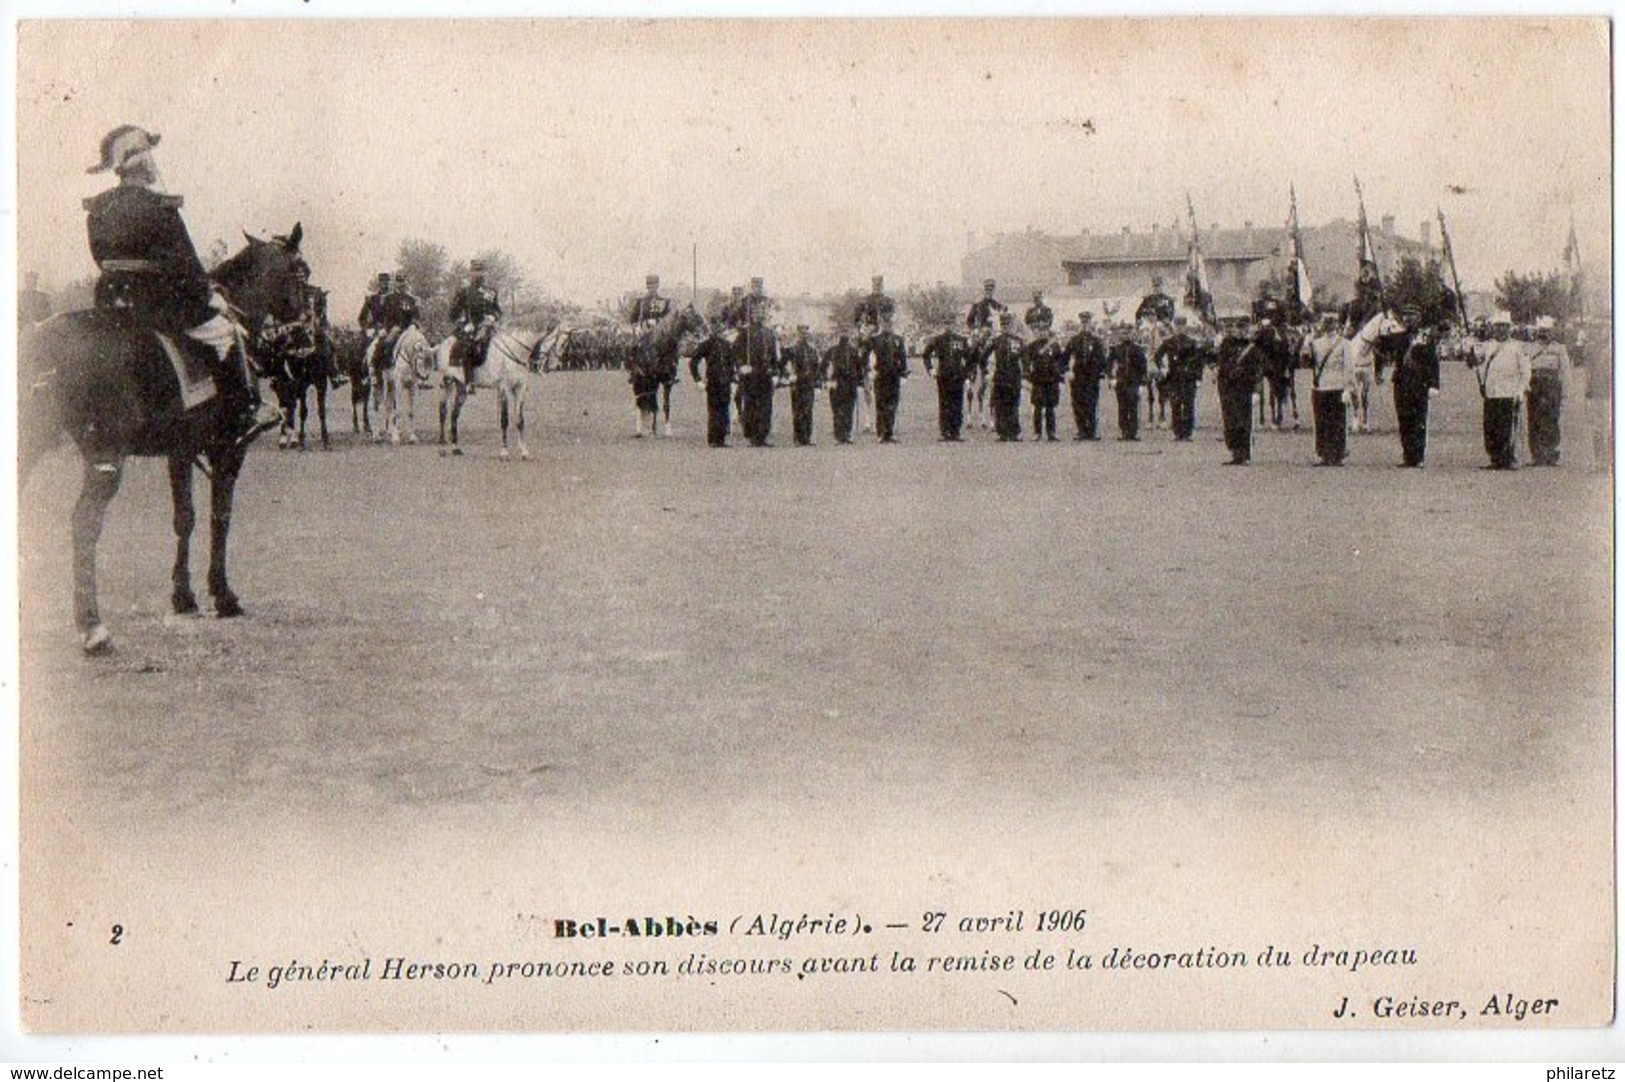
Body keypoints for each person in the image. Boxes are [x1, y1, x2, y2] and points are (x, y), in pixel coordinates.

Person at [82, 124, 258, 437]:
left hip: (109, 301)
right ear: (141, 161)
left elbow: (99, 257)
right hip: (157, 304)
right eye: (149, 155)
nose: (153, 163)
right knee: (226, 332)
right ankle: (239, 417)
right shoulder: (161, 206)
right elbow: (185, 265)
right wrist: (208, 295)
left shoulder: (98, 207)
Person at [1469, 318, 1530, 469]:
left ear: (1509, 328)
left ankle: (1508, 459)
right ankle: (1495, 458)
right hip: (1491, 392)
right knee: (1491, 427)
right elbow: (1474, 362)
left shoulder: (1518, 347)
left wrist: (1520, 391)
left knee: (1508, 428)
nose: (1501, 330)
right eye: (1498, 326)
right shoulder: (1487, 346)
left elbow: (1525, 372)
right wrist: (1469, 349)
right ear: (1493, 328)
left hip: (1510, 392)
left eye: (1504, 326)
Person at [1389, 310, 1441, 467]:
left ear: (1418, 318)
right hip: (1401, 383)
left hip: (1420, 384)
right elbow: (1385, 350)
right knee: (1404, 420)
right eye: (1406, 316)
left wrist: (1434, 384)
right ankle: (1407, 456)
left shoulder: (1426, 338)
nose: (1409, 319)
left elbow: (1433, 362)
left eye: (1412, 316)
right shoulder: (1398, 336)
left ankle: (1418, 457)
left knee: (1419, 421)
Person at [734, 286, 780, 447]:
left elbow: (774, 356)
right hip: (751, 372)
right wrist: (741, 366)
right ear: (751, 315)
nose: (759, 315)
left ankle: (763, 436)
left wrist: (775, 372)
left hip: (766, 373)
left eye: (762, 313)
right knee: (752, 405)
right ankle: (753, 435)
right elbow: (736, 353)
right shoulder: (744, 333)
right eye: (756, 313)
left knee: (766, 406)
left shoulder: (769, 333)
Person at [1304, 314, 1351, 466]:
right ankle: (1324, 454)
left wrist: (1347, 388)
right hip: (1321, 387)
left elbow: (1348, 367)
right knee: (1322, 422)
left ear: (1336, 325)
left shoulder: (1344, 343)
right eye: (1326, 323)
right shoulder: (1316, 343)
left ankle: (1337, 454)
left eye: (1332, 323)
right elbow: (1308, 363)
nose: (1329, 326)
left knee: (1337, 422)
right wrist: (1306, 346)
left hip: (1337, 386)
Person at [1525, 316, 1572, 466]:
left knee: (1552, 418)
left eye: (1547, 331)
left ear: (1552, 332)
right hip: (1535, 385)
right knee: (1534, 419)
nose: (1544, 334)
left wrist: (1565, 390)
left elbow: (1565, 370)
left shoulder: (1559, 348)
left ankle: (1551, 454)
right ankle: (1537, 455)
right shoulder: (1530, 347)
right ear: (1537, 332)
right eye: (1541, 331)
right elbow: (1525, 369)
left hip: (1552, 385)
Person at [448, 259, 502, 390]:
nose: (479, 274)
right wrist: (463, 323)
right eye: (476, 271)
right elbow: (453, 313)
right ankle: (469, 380)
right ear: (471, 272)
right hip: (471, 326)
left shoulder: (492, 291)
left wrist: (493, 317)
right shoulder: (465, 292)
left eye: (482, 271)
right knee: (468, 345)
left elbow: (498, 311)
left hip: (489, 325)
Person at [1215, 320, 1261, 464]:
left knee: (1244, 421)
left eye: (1244, 329)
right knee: (1230, 420)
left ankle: (1245, 454)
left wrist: (1254, 387)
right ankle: (1235, 453)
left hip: (1244, 387)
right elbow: (1221, 364)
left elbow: (1256, 368)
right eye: (1239, 328)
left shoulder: (1252, 347)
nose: (1241, 331)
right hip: (1228, 387)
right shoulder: (1227, 344)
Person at [1156, 317, 1204, 442]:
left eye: (1182, 326)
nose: (1179, 329)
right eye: (1177, 326)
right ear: (1174, 327)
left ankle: (1187, 433)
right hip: (1174, 377)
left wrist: (1198, 377)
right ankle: (1177, 432)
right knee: (1175, 405)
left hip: (1188, 378)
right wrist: (1162, 368)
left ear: (1185, 327)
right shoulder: (1168, 342)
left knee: (1188, 405)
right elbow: (1158, 356)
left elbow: (1199, 361)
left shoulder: (1192, 343)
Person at [921, 325, 972, 441]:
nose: (949, 326)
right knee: (944, 403)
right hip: (943, 375)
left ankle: (955, 431)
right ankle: (945, 431)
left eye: (951, 322)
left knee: (957, 403)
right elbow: (926, 354)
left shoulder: (962, 340)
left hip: (958, 375)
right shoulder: (938, 340)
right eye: (947, 323)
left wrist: (967, 374)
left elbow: (970, 358)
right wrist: (930, 369)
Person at [688, 328, 736, 447]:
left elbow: (731, 362)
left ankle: (721, 439)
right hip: (713, 381)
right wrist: (697, 379)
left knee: (724, 410)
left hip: (726, 381)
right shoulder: (707, 345)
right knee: (714, 411)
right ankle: (713, 439)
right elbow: (693, 361)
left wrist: (733, 375)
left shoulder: (727, 345)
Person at [1063, 312, 1108, 440]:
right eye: (1083, 323)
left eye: (1087, 323)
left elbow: (1102, 359)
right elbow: (1064, 358)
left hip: (1092, 376)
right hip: (1078, 376)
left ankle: (1092, 431)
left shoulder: (1096, 341)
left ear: (1091, 324)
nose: (1085, 326)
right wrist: (1067, 370)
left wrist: (1101, 371)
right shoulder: (1074, 340)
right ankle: (1081, 430)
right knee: (1078, 404)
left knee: (1091, 403)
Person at [983, 312, 1025, 442]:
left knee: (1013, 404)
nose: (1006, 327)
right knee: (1000, 405)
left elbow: (1025, 359)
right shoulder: (995, 341)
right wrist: (986, 371)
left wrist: (1026, 374)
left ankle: (1013, 432)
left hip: (1014, 376)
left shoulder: (1019, 341)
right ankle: (1002, 432)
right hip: (1000, 376)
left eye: (1008, 325)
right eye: (1003, 325)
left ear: (1012, 325)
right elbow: (982, 357)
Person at [868, 315, 909, 443]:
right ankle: (881, 433)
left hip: (894, 376)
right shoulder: (874, 340)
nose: (888, 326)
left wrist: (903, 375)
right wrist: (869, 371)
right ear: (881, 324)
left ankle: (889, 433)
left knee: (892, 404)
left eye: (890, 324)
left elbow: (903, 358)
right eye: (885, 324)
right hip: (880, 375)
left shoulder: (898, 339)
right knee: (881, 404)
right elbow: (867, 356)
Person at [1107, 323, 1149, 441]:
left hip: (1133, 382)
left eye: (1128, 333)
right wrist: (1111, 378)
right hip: (1121, 381)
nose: (1126, 336)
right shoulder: (1116, 349)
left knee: (1133, 407)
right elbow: (1109, 364)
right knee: (1122, 407)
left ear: (1132, 334)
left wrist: (1142, 383)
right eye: (1123, 333)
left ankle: (1133, 432)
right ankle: (1124, 431)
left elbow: (1143, 367)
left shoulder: (1137, 349)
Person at [1022, 326, 1065, 441]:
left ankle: (1051, 432)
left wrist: (1060, 375)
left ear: (1048, 332)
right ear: (1036, 332)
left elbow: (1061, 361)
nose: (1042, 333)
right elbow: (1026, 361)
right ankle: (1037, 432)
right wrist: (1027, 375)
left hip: (1052, 380)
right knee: (1038, 407)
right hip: (1038, 380)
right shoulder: (1032, 346)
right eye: (1040, 331)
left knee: (1050, 407)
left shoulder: (1054, 345)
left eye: (1044, 331)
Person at [783, 324, 824, 446]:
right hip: (797, 383)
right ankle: (798, 438)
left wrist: (818, 383)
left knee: (808, 410)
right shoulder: (792, 349)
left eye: (806, 333)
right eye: (802, 333)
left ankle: (807, 437)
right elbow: (783, 364)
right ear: (798, 334)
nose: (804, 335)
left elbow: (817, 368)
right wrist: (789, 375)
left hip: (809, 383)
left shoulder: (812, 350)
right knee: (797, 411)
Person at [824, 332, 867, 444]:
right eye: (842, 335)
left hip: (850, 384)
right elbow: (824, 366)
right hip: (837, 383)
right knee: (837, 410)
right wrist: (827, 380)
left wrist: (860, 382)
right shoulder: (832, 351)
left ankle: (847, 434)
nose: (844, 338)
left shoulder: (853, 351)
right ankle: (839, 436)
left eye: (846, 335)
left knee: (849, 409)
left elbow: (859, 368)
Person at [853, 275, 895, 341]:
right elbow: (857, 316)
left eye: (879, 285)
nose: (877, 288)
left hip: (884, 327)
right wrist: (861, 324)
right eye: (875, 285)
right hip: (868, 329)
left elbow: (891, 313)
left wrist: (884, 318)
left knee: (895, 342)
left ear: (882, 287)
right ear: (872, 286)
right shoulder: (865, 301)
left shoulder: (888, 301)